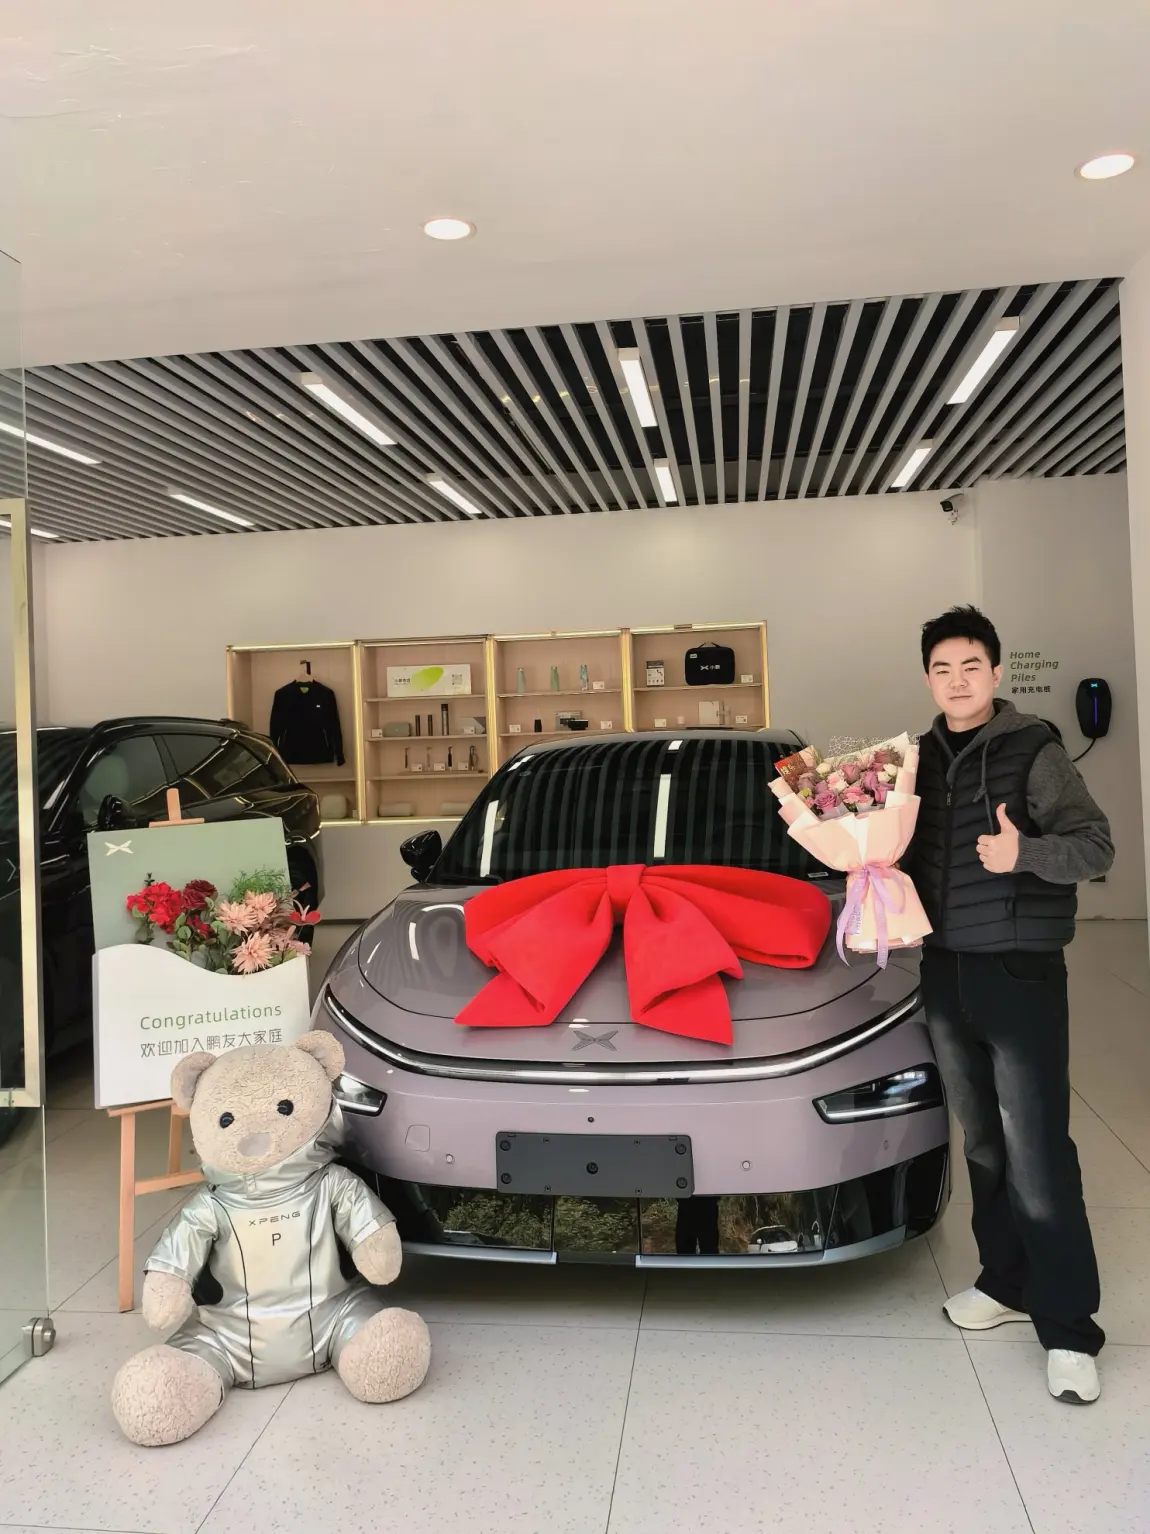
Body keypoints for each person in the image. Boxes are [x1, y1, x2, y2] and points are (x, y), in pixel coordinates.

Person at [906, 605, 1113, 1404]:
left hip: (1020, 972)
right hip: (945, 969)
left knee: (1036, 1149)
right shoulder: (917, 758)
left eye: (971, 666)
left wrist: (1023, 851)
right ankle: (1005, 1281)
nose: (957, 681)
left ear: (995, 673)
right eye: (942, 669)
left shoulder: (1036, 748)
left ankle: (1068, 1328)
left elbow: (1096, 845)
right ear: (928, 679)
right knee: (985, 1141)